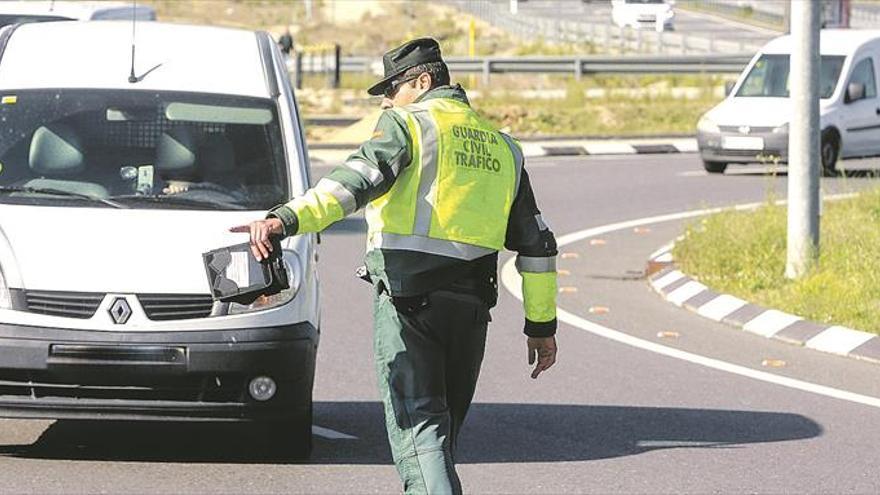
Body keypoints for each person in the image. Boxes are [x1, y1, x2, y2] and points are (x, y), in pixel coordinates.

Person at [230, 38, 559, 494]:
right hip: (470, 313)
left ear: (423, 82)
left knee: (422, 435)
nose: (387, 99)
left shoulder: (408, 126)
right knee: (440, 440)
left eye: (394, 87)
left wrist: (284, 219)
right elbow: (539, 247)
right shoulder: (504, 147)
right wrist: (541, 326)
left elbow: (351, 185)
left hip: (410, 306)